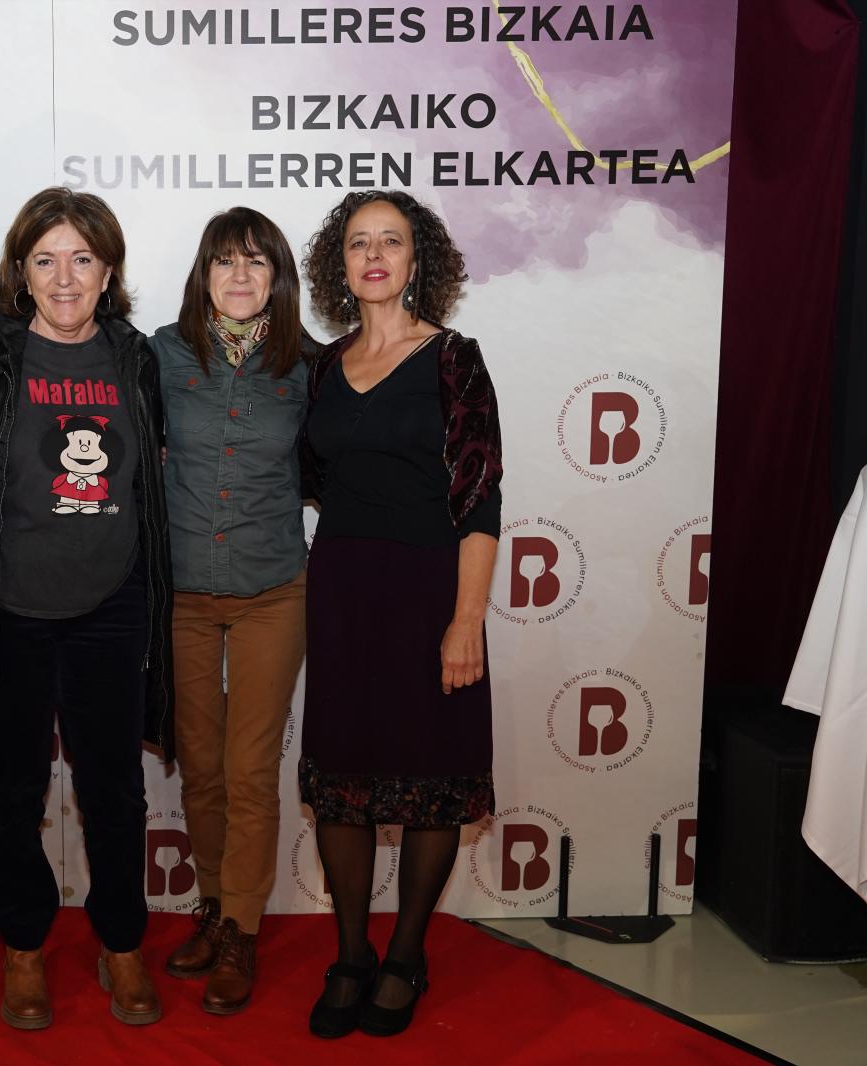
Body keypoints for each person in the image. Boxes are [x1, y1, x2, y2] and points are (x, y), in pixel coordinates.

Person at [0, 187, 174, 1031]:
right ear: (20, 272)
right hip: (9, 612)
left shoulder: (137, 360)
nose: (64, 278)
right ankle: (25, 945)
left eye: (82, 259)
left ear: (108, 272)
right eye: (45, 260)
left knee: (115, 793)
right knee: (13, 793)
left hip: (114, 606)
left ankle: (121, 943)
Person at [296, 190, 502, 1039]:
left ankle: (406, 956)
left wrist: (466, 620)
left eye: (391, 241)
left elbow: (481, 499)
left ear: (419, 261)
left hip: (429, 593)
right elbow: (310, 478)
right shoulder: (321, 367)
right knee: (342, 785)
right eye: (358, 243)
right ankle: (351, 955)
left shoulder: (454, 359)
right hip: (341, 593)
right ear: (339, 265)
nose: (374, 256)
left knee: (430, 782)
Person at [148, 207, 314, 1014]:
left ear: (278, 277)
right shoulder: (160, 354)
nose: (240, 276)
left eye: (256, 262)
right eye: (224, 261)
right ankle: (213, 907)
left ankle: (242, 929)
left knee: (249, 770)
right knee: (201, 766)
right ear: (203, 273)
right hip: (181, 592)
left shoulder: (309, 366)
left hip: (272, 592)